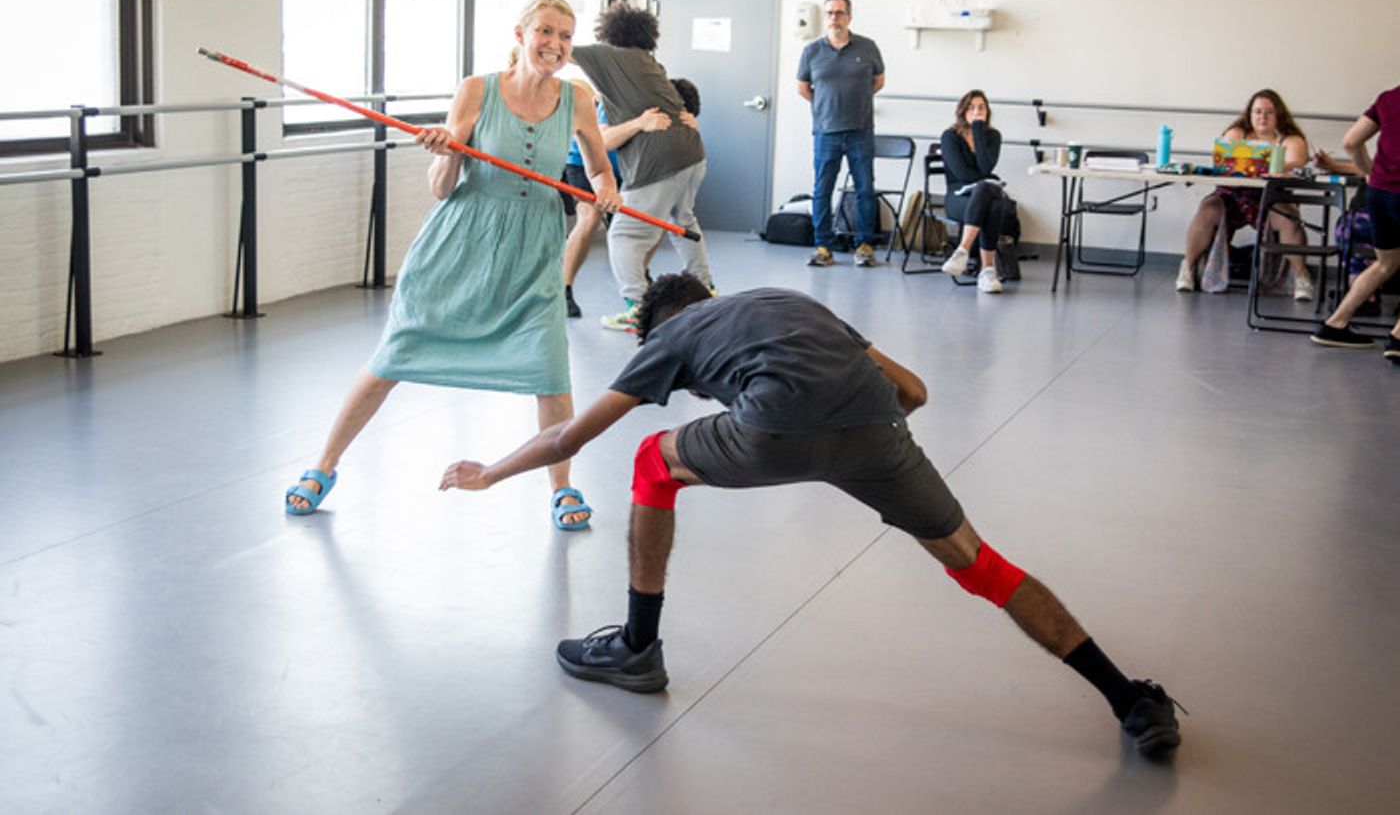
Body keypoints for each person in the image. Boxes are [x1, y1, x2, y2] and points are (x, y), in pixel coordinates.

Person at [438, 273, 1185, 759]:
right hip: (877, 435)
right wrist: (859, 437)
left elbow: (570, 436)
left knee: (650, 462)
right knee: (979, 563)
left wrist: (491, 473)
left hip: (770, 430)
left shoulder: (665, 337)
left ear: (652, 325)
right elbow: (915, 392)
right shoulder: (785, 299)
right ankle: (1131, 701)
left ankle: (637, 648)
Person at [282, 0, 622, 531]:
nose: (554, 44)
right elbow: (443, 190)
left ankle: (563, 487)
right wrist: (451, 151)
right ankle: (323, 466)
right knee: (393, 357)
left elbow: (601, 171)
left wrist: (606, 193)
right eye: (545, 32)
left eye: (564, 35)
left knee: (551, 371)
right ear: (521, 35)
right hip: (462, 241)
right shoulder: (477, 91)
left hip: (533, 248)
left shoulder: (578, 100)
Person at [570, 3, 715, 332]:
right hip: (692, 152)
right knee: (683, 221)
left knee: (623, 235)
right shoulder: (650, 63)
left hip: (657, 161)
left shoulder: (613, 57)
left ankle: (639, 309)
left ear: (610, 33)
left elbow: (561, 50)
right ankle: (707, 289)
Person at [561, 82, 702, 319]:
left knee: (654, 219)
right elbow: (603, 141)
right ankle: (563, 289)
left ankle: (639, 276)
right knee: (591, 217)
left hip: (629, 171)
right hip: (586, 163)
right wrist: (639, 123)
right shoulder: (616, 98)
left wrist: (688, 126)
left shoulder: (670, 113)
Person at [1177, 89, 1315, 299]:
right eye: (1257, 111)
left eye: (1269, 112)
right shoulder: (1237, 132)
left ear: (1279, 114)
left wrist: (1253, 163)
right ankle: (1187, 267)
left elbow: (1296, 160)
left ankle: (1301, 277)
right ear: (1249, 114)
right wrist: (1266, 164)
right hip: (1231, 195)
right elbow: (1223, 158)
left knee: (1290, 220)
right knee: (1207, 209)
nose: (1262, 117)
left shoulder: (1290, 139)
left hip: (1271, 197)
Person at [1310, 83, 1400, 363]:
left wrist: (1370, 172)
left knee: (1386, 263)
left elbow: (1350, 142)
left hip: (1379, 195)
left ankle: (1335, 324)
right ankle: (1397, 339)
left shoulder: (1389, 98)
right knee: (1387, 263)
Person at [798, 0, 885, 268]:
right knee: (822, 191)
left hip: (861, 131)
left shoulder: (867, 47)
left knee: (864, 189)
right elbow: (803, 88)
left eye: (839, 13)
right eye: (829, 13)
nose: (834, 18)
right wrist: (826, 105)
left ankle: (865, 246)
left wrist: (854, 103)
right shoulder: (812, 51)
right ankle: (823, 246)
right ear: (825, 18)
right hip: (826, 132)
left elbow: (878, 81)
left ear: (849, 16)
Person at [938, 90, 1017, 293]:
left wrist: (978, 130)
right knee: (989, 191)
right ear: (963, 111)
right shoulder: (950, 137)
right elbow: (963, 175)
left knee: (992, 202)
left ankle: (963, 252)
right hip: (958, 197)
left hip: (981, 198)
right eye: (972, 107)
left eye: (981, 107)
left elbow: (985, 168)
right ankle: (987, 271)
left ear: (987, 111)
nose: (976, 111)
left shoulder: (993, 136)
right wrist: (988, 181)